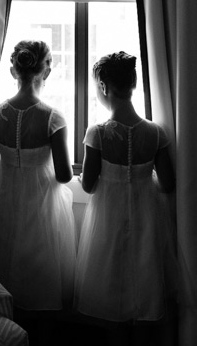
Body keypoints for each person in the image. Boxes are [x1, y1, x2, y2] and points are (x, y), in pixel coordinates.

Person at [74, 51, 176, 346]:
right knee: (146, 281)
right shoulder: (156, 132)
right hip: (148, 217)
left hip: (108, 219)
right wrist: (142, 179)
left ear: (104, 87)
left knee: (111, 287)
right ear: (133, 84)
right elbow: (168, 184)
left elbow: (90, 186)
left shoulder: (99, 133)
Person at [0, 40, 76, 346]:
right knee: (42, 280)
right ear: (44, 70)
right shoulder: (52, 117)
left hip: (5, 203)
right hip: (42, 207)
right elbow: (64, 175)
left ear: (14, 70)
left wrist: (12, 158)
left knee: (4, 275)